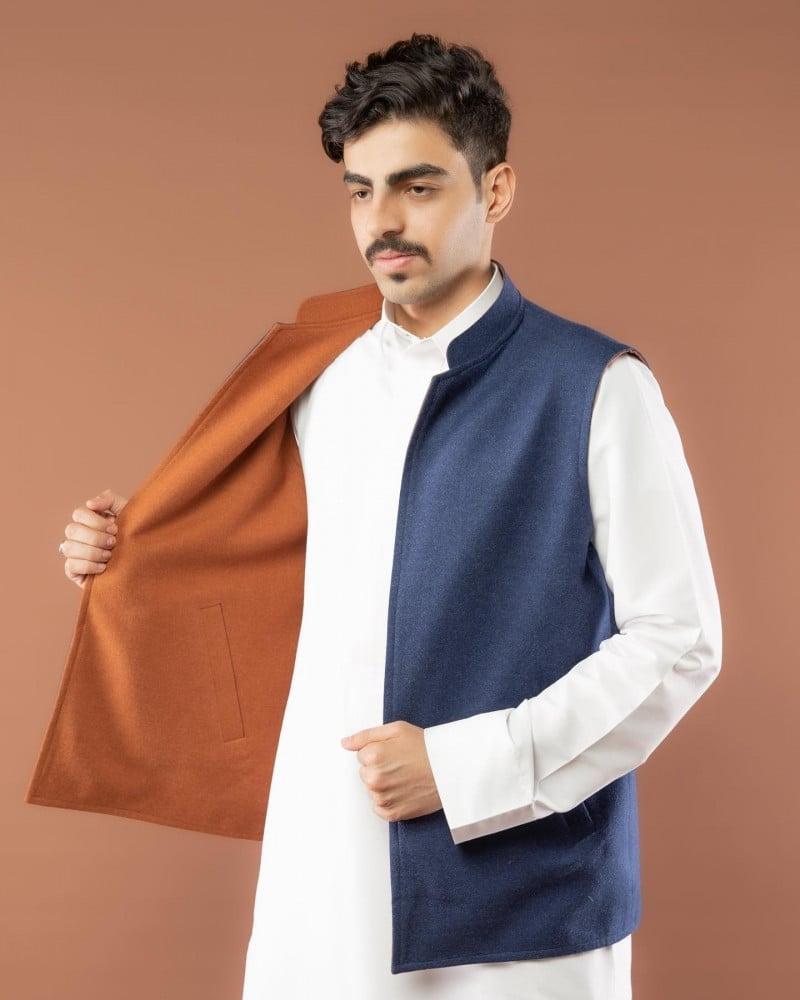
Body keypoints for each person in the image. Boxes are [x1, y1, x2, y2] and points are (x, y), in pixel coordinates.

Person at [55, 32, 722, 1000]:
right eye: (361, 191)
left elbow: (678, 640)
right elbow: (252, 567)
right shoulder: (310, 369)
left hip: (518, 892)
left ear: (495, 190)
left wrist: (465, 765)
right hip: (321, 869)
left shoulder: (596, 385)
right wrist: (121, 554)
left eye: (418, 186)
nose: (384, 223)